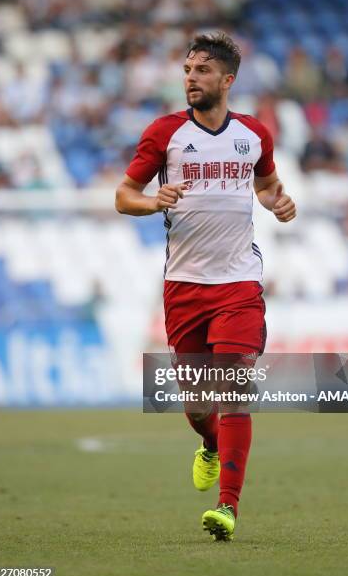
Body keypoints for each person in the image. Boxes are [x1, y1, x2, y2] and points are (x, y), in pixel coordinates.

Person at [115, 32, 296, 541]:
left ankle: (228, 507)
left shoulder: (254, 134)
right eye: (187, 70)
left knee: (235, 387)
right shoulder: (165, 133)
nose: (190, 78)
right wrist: (153, 201)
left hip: (239, 282)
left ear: (227, 80)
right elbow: (123, 195)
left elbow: (266, 184)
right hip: (184, 287)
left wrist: (279, 201)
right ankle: (210, 446)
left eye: (201, 71)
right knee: (198, 406)